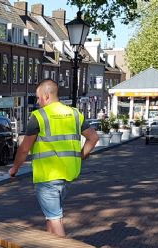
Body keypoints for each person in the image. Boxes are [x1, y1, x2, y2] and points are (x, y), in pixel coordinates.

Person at [9, 79, 99, 237]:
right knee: (52, 216)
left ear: (46, 96)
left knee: (55, 218)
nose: (37, 101)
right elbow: (93, 138)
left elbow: (24, 149)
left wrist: (14, 168)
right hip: (68, 175)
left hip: (47, 176)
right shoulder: (75, 114)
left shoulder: (39, 116)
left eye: (38, 98)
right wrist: (80, 156)